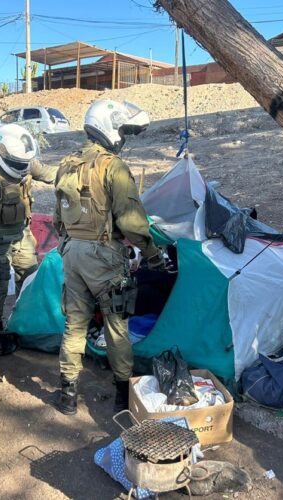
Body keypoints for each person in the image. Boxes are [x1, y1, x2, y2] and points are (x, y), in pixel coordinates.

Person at [53, 100, 167, 416]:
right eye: (123, 132)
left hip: (71, 254)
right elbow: (132, 222)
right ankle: (122, 397)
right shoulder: (113, 167)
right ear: (110, 128)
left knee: (74, 325)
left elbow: (57, 219)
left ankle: (67, 396)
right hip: (104, 257)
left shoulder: (65, 165)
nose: (124, 139)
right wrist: (153, 255)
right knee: (117, 326)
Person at [0, 123, 56, 355]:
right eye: (16, 163)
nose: (22, 167)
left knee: (31, 278)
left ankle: (25, 322)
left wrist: (76, 174)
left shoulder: (25, 163)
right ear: (1, 151)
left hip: (21, 234)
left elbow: (50, 174)